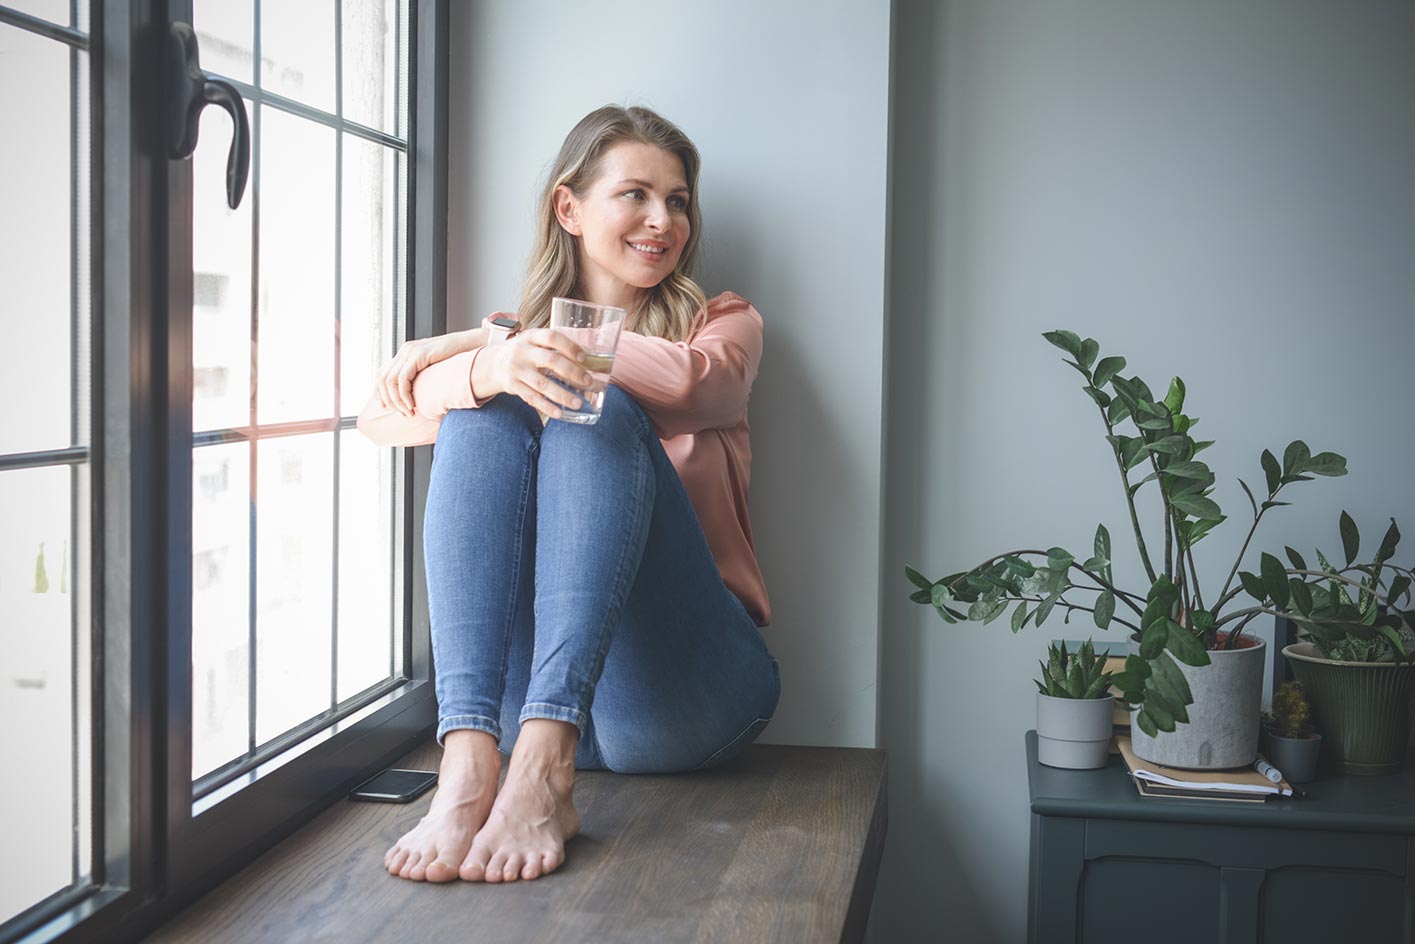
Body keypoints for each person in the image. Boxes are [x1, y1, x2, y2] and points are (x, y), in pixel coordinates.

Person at [356, 105, 780, 885]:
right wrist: (489, 365)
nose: (663, 220)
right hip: (519, 700)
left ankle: (548, 768)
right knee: (481, 413)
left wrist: (495, 344)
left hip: (684, 692)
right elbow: (380, 419)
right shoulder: (512, 348)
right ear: (568, 208)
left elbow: (694, 384)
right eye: (636, 195)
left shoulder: (724, 323)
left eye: (678, 200)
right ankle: (467, 762)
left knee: (591, 400)